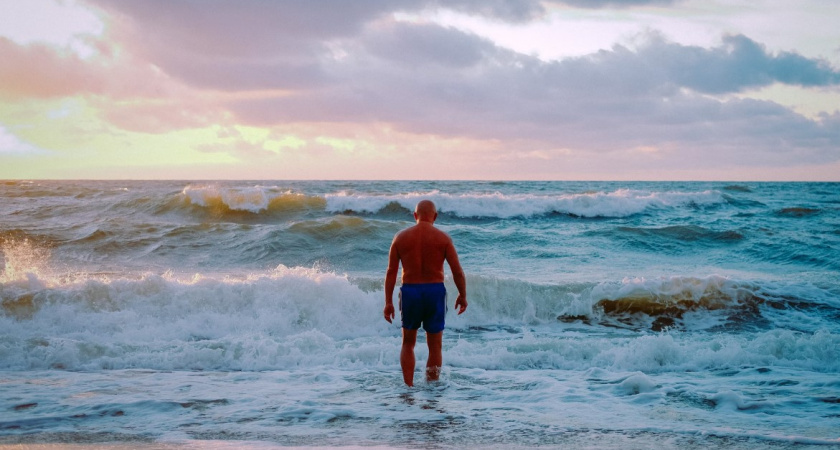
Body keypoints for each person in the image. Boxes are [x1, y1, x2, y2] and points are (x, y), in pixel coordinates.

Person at [384, 199, 467, 386]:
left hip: (410, 291)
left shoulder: (400, 238)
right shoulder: (443, 238)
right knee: (435, 345)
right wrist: (463, 294)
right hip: (434, 292)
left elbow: (391, 272)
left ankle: (408, 388)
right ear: (435, 217)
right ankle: (432, 390)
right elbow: (457, 271)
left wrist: (388, 302)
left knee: (407, 343)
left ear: (415, 216)